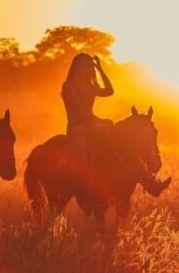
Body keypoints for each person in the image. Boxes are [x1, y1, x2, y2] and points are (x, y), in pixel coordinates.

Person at [61, 53, 169, 197]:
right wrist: (99, 121)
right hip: (78, 128)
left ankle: (150, 182)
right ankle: (84, 190)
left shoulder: (90, 86)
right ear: (77, 67)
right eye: (85, 65)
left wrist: (100, 69)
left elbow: (109, 91)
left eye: (90, 66)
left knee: (123, 146)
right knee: (83, 157)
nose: (88, 69)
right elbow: (80, 112)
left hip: (93, 126)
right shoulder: (69, 86)